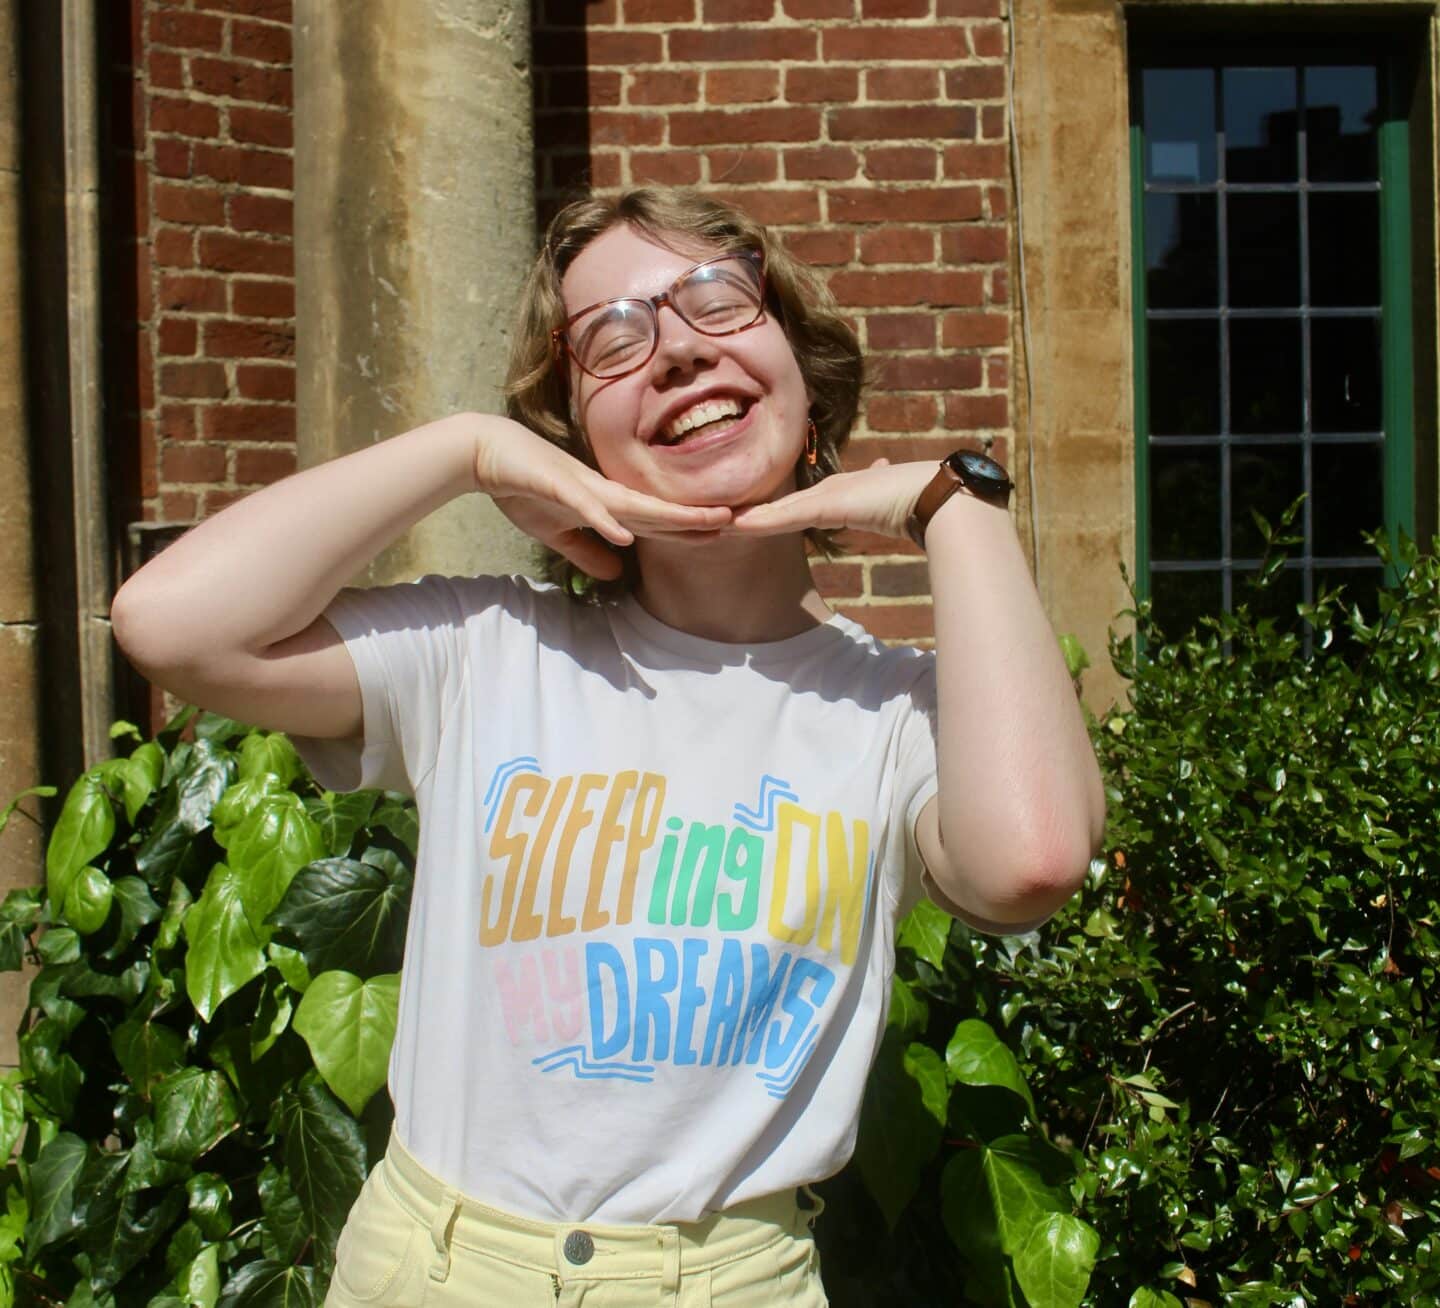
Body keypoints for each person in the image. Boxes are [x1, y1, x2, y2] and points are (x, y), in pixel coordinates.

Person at [111, 188, 1105, 1307]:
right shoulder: (481, 651)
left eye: (718, 300)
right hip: (432, 1268)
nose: (677, 349)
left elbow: (1031, 861)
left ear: (800, 364)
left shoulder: (893, 712)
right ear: (574, 439)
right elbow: (169, 624)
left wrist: (954, 509)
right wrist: (467, 450)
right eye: (612, 339)